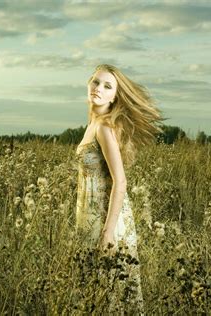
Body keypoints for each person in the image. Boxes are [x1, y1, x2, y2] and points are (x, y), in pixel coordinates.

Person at [75, 64, 164, 314]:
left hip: (106, 220)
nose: (98, 89)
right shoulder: (92, 126)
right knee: (95, 291)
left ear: (114, 96)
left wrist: (108, 233)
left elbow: (120, 181)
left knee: (110, 294)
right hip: (90, 217)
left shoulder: (104, 128)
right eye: (95, 82)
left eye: (107, 86)